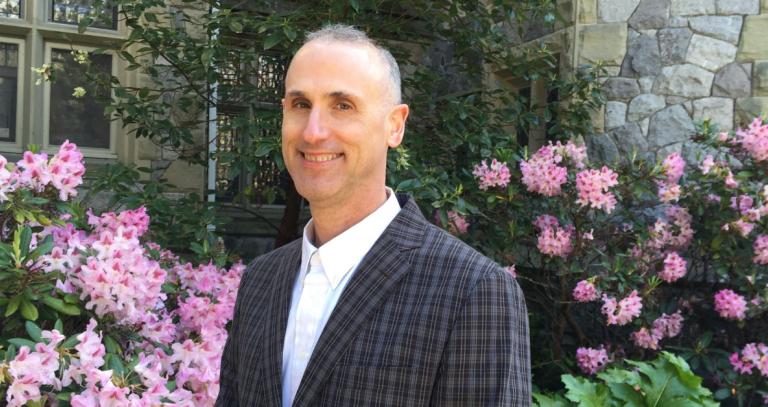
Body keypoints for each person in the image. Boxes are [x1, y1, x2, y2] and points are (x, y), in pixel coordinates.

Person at [215, 24, 530, 407]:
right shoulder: (261, 280)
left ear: (394, 126)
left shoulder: (473, 291)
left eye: (342, 106)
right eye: (300, 105)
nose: (313, 132)